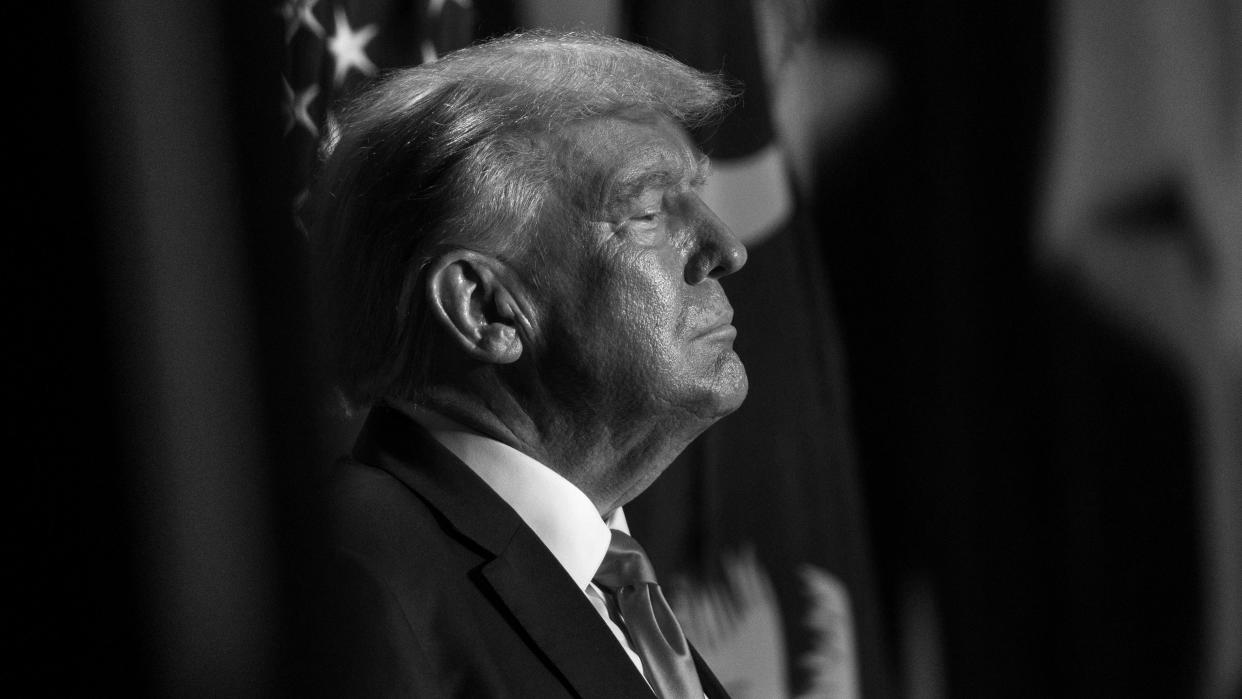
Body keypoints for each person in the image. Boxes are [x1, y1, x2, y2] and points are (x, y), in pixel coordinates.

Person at [308, 31, 749, 697]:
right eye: (652, 210)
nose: (726, 247)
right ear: (485, 307)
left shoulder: (610, 582)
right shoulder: (365, 584)